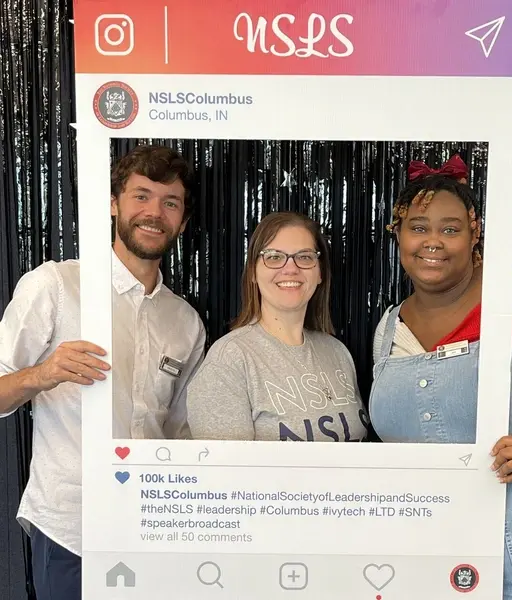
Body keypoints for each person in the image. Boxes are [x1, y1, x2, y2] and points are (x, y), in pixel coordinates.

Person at [368, 154, 512, 599]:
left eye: (450, 229)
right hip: (433, 569)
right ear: (396, 235)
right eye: (418, 227)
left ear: (475, 234)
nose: (432, 242)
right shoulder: (388, 329)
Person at [0, 145, 207, 600]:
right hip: (71, 529)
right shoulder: (55, 285)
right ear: (113, 204)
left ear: (183, 222)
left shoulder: (186, 322)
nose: (154, 213)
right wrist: (43, 373)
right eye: (141, 196)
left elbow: (181, 433)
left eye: (170, 203)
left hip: (152, 529)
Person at [186, 211, 368, 442]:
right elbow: (226, 474)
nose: (290, 269)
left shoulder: (338, 352)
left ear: (320, 272)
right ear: (253, 272)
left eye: (304, 257)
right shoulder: (229, 360)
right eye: (273, 257)